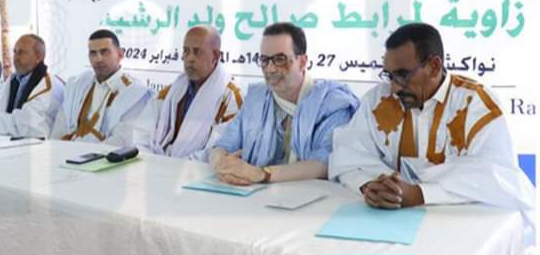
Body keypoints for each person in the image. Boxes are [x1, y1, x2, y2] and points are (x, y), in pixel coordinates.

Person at [329, 24, 534, 222]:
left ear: (434, 67)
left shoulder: (476, 105)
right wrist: (370, 186)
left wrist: (420, 194)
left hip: (462, 224)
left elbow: (495, 178)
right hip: (389, 223)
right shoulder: (378, 100)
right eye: (389, 76)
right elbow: (347, 156)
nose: (394, 88)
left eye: (402, 75)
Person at [210, 22, 359, 185]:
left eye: (280, 59)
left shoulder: (331, 102)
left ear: (302, 62)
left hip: (312, 196)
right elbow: (224, 145)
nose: (270, 69)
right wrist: (221, 164)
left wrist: (262, 174)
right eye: (264, 60)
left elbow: (327, 162)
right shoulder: (257, 98)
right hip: (252, 194)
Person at [135, 26, 243, 161]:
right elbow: (142, 133)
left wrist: (175, 166)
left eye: (197, 52)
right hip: (158, 166)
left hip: (198, 171)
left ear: (215, 56)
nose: (190, 58)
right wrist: (152, 160)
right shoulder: (170, 93)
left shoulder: (230, 98)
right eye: (186, 51)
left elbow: (219, 149)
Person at [50, 29, 152, 147]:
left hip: (103, 156)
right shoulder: (78, 84)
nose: (98, 59)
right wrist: (56, 150)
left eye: (105, 52)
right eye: (93, 53)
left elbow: (122, 141)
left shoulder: (135, 93)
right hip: (68, 152)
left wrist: (85, 154)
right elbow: (60, 126)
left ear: (120, 54)